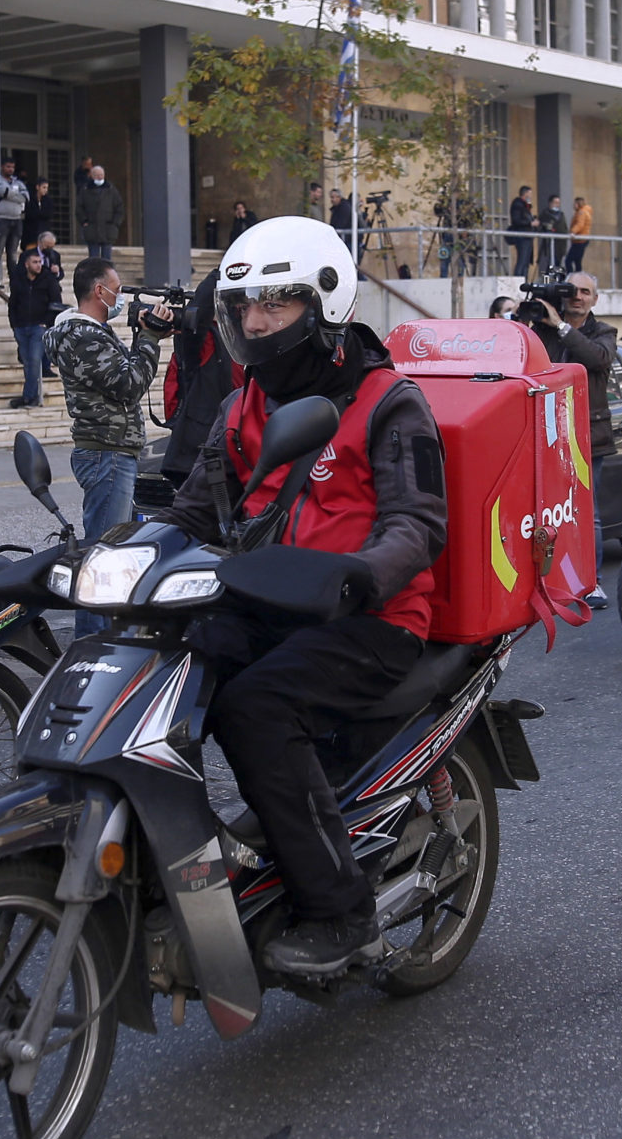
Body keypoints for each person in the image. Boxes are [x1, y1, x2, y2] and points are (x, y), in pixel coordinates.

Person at [151, 216, 448, 974]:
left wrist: (361, 572)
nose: (254, 322)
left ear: (324, 302)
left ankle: (341, 907)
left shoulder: (389, 401)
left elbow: (417, 522)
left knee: (257, 707)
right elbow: (192, 507)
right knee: (166, 665)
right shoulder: (242, 399)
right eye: (243, 305)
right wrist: (111, 554)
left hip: (370, 617)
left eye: (275, 304)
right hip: (267, 600)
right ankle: (190, 850)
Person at [46, 256, 167, 633]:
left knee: (111, 555)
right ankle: (90, 643)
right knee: (102, 559)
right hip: (107, 452)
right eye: (117, 287)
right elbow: (129, 384)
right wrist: (149, 338)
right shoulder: (83, 336)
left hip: (111, 451)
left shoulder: (88, 334)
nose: (121, 296)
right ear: (99, 291)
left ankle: (106, 633)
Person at [515, 271, 618, 603]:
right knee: (541, 511)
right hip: (543, 435)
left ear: (594, 299)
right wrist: (520, 322)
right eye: (572, 290)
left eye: (585, 291)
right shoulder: (541, 331)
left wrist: (561, 325)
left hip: (586, 437)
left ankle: (591, 581)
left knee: (588, 512)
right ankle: (544, 580)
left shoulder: (604, 332)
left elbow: (596, 358)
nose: (578, 296)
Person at [156, 267, 241, 494]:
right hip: (203, 451)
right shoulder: (205, 341)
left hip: (237, 447)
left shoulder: (243, 340)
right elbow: (198, 318)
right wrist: (221, 273)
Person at [7, 243, 62, 407]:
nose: (39, 265)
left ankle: (29, 397)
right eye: (35, 262)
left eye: (40, 262)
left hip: (39, 327)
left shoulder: (48, 279)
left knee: (34, 359)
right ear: (27, 264)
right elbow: (13, 304)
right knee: (27, 361)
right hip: (21, 327)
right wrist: (14, 325)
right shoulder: (19, 281)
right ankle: (31, 395)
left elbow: (56, 304)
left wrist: (46, 323)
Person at [0, 159, 30, 284]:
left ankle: (13, 280)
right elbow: (4, 192)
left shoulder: (17, 182)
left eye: (12, 167)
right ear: (2, 167)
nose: (10, 169)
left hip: (16, 220)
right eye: (8, 166)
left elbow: (26, 197)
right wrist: (16, 195)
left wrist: (12, 194)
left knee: (12, 253)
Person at [77, 161, 123, 263]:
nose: (99, 177)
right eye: (97, 175)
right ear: (92, 176)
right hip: (92, 229)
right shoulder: (85, 190)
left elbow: (119, 208)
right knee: (93, 259)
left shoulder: (111, 189)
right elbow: (79, 208)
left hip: (108, 229)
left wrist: (115, 223)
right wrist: (84, 221)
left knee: (107, 260)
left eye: (101, 175)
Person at [508, 185, 536, 278]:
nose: (531, 196)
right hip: (522, 237)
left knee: (526, 262)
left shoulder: (526, 206)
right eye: (529, 194)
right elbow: (516, 220)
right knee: (522, 261)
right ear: (525, 194)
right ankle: (518, 282)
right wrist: (530, 223)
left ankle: (524, 282)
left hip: (527, 237)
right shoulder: (518, 204)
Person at [563, 197, 594, 273]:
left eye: (574, 204)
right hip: (581, 239)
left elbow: (580, 224)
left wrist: (572, 232)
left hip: (580, 240)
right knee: (577, 261)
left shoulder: (581, 213)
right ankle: (578, 277)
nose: (573, 206)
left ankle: (571, 277)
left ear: (577, 204)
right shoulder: (585, 211)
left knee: (569, 260)